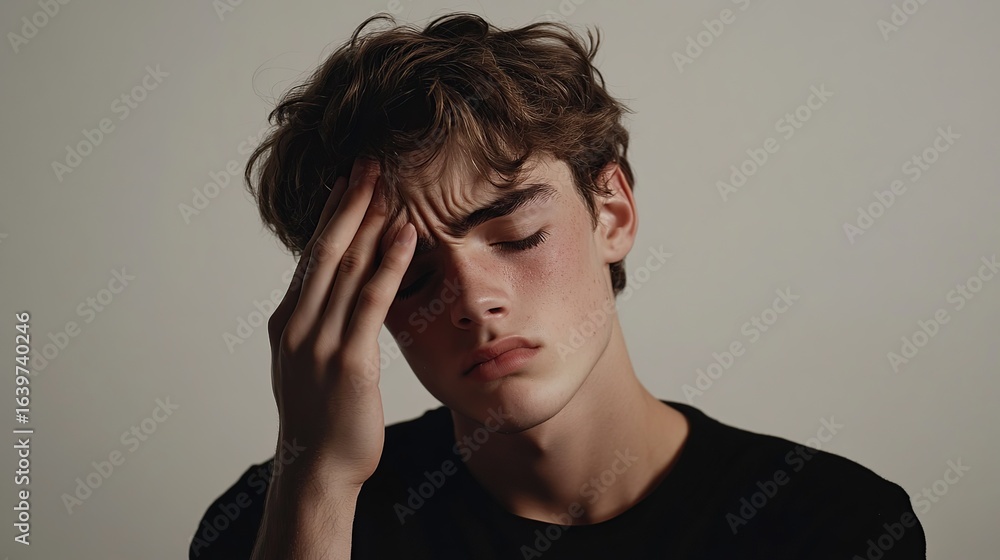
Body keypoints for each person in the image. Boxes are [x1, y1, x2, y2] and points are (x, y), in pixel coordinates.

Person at [189, 12, 926, 559]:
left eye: (517, 236)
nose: (472, 300)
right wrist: (316, 477)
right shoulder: (269, 521)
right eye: (409, 275)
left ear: (613, 213)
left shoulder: (831, 522)